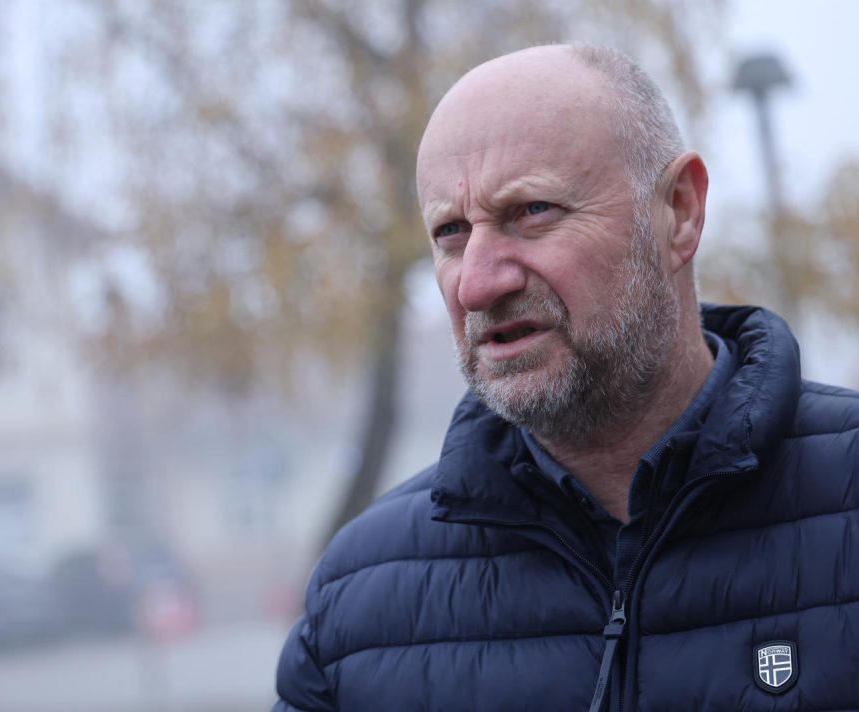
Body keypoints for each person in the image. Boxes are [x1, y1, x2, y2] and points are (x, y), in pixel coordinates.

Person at [274, 43, 859, 711]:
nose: (477, 284)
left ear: (679, 211)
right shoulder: (357, 607)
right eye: (451, 232)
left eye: (532, 211)